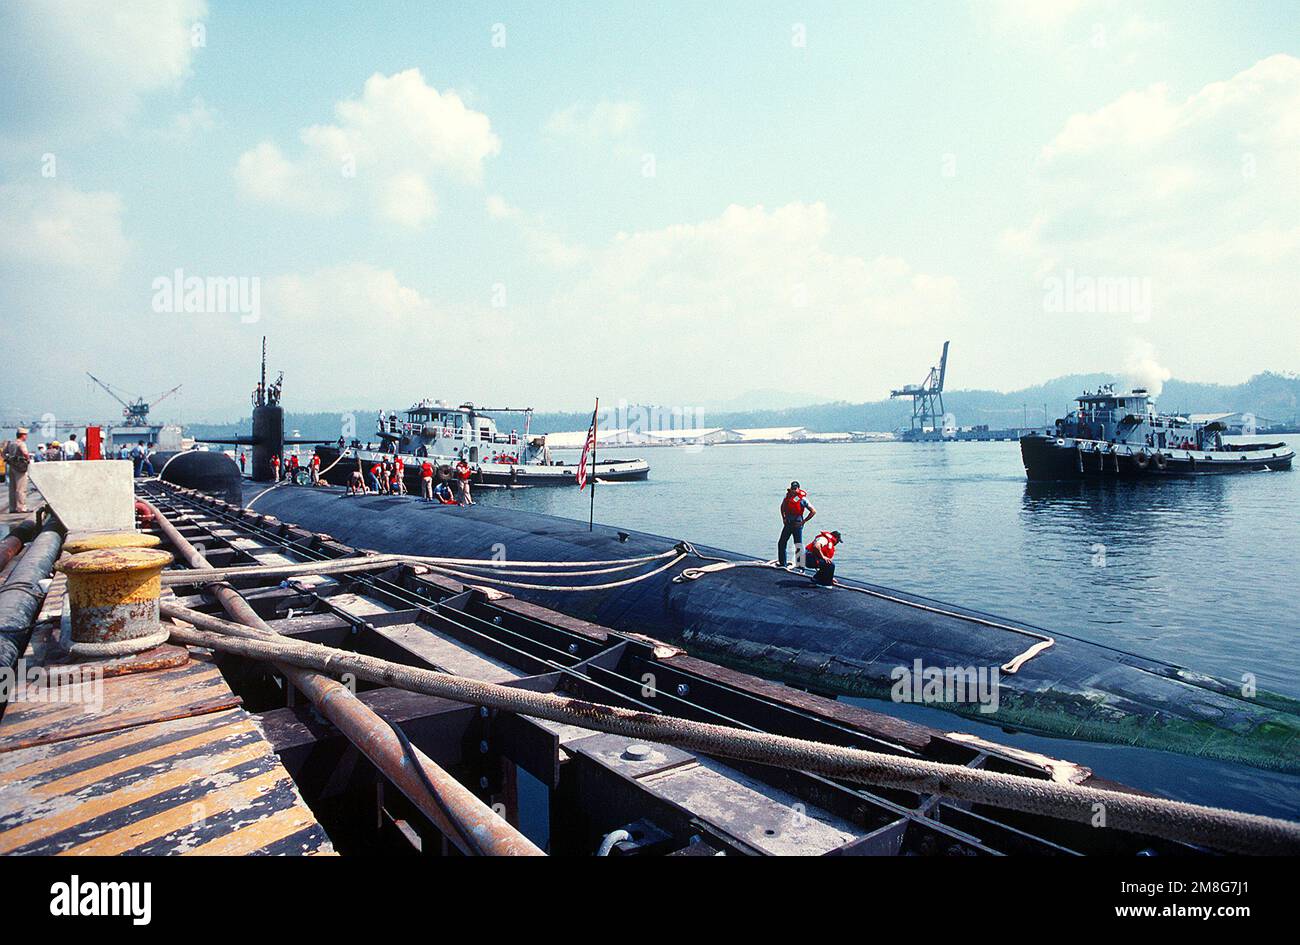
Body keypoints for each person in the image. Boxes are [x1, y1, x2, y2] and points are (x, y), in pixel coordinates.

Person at [777, 480, 816, 567]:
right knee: (782, 542)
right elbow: (782, 507)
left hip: (797, 524)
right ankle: (782, 563)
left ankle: (800, 565)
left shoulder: (802, 499)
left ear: (798, 489)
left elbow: (813, 511)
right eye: (792, 488)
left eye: (795, 488)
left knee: (798, 544)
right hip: (788, 523)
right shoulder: (787, 497)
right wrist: (783, 518)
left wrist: (803, 521)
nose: (794, 490)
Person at [4, 428, 32, 513]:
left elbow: (3, 453)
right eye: (26, 435)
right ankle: (21, 507)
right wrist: (28, 460)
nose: (26, 437)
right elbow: (25, 453)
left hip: (12, 466)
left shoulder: (11, 443)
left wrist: (7, 459)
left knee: (12, 488)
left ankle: (12, 508)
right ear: (23, 435)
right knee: (21, 488)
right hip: (20, 467)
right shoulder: (21, 443)